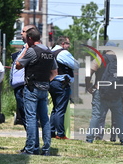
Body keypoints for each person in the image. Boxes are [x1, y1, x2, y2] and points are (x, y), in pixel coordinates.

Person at [16, 28, 57, 156]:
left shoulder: (32, 51)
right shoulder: (49, 52)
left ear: (29, 39)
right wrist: (46, 82)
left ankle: (30, 148)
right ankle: (46, 148)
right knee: (44, 118)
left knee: (31, 119)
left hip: (32, 88)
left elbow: (18, 65)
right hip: (44, 88)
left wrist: (25, 50)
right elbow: (55, 72)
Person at [85, 41, 123, 145]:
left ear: (106, 49)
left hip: (100, 92)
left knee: (96, 116)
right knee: (119, 117)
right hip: (117, 93)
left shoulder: (100, 58)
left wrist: (89, 86)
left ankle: (89, 139)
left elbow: (89, 73)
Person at [49, 36, 79, 139]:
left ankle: (51, 132)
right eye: (68, 44)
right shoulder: (63, 53)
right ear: (63, 44)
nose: (69, 46)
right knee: (60, 109)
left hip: (52, 82)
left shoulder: (51, 52)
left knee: (55, 109)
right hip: (61, 83)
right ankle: (60, 134)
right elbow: (76, 65)